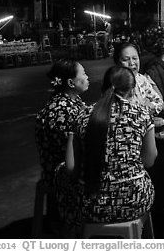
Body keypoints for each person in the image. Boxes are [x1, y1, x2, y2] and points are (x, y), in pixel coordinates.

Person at [65, 65, 157, 226]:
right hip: (134, 202)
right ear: (132, 90)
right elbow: (149, 160)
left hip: (90, 206)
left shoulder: (82, 115)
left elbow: (71, 168)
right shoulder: (142, 115)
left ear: (103, 87)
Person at [36, 59, 89, 188]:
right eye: (83, 73)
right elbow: (77, 149)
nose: (87, 77)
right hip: (62, 178)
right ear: (71, 83)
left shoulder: (71, 99)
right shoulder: (62, 111)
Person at [114, 42, 164, 116]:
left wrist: (150, 106)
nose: (131, 63)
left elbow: (159, 102)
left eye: (134, 58)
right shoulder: (115, 82)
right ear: (118, 62)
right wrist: (143, 107)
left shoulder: (142, 79)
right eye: (126, 59)